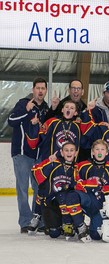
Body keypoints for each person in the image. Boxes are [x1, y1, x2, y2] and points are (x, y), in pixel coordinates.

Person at [7, 77, 49, 233]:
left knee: (39, 188)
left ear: (46, 90)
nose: (40, 91)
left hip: (38, 155)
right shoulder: (23, 103)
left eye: (43, 88)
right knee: (23, 189)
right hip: (22, 153)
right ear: (33, 89)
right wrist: (26, 112)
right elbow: (11, 121)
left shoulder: (45, 108)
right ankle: (25, 221)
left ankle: (38, 219)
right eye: (37, 88)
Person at [31, 141, 91, 242]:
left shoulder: (77, 168)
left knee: (69, 195)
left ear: (76, 153)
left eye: (72, 150)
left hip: (65, 204)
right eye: (66, 150)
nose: (69, 153)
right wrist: (49, 162)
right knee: (54, 233)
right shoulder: (54, 164)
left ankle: (69, 223)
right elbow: (35, 172)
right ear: (62, 152)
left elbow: (79, 185)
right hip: (52, 204)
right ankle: (38, 216)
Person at [76, 139, 109, 240]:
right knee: (74, 195)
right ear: (92, 152)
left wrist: (107, 189)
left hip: (101, 207)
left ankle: (93, 223)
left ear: (107, 152)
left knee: (95, 235)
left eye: (102, 149)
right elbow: (76, 183)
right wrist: (90, 185)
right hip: (88, 202)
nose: (100, 152)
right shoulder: (82, 165)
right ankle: (79, 222)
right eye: (97, 149)